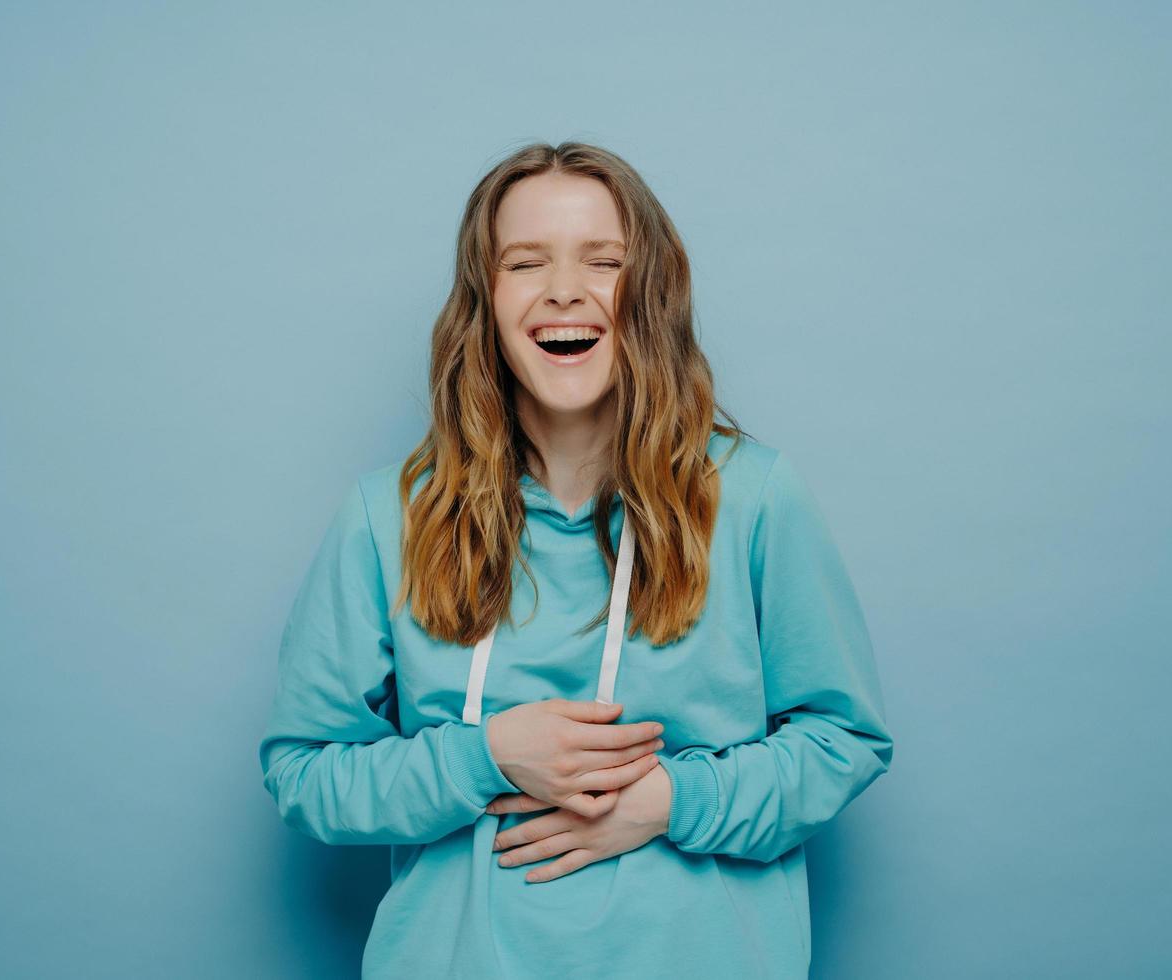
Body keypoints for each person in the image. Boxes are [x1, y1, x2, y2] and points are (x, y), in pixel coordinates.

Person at [257, 141, 894, 979]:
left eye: (605, 261)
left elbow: (844, 738)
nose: (565, 289)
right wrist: (485, 756)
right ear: (484, 301)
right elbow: (304, 772)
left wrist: (671, 801)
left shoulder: (754, 499)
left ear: (651, 294)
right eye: (526, 262)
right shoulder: (388, 518)